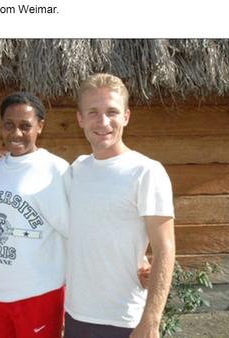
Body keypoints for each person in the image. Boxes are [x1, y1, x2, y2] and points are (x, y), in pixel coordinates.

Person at [64, 73, 175, 338]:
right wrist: (9, 159)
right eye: (93, 112)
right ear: (80, 119)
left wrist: (151, 321)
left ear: (126, 116)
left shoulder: (146, 171)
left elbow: (165, 248)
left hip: (124, 319)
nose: (103, 122)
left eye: (112, 112)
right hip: (75, 314)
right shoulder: (75, 170)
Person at [0, 92, 70, 338]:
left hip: (39, 295)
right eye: (8, 125)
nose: (16, 133)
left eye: (26, 126)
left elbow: (72, 236)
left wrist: (71, 303)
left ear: (40, 126)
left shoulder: (56, 170)